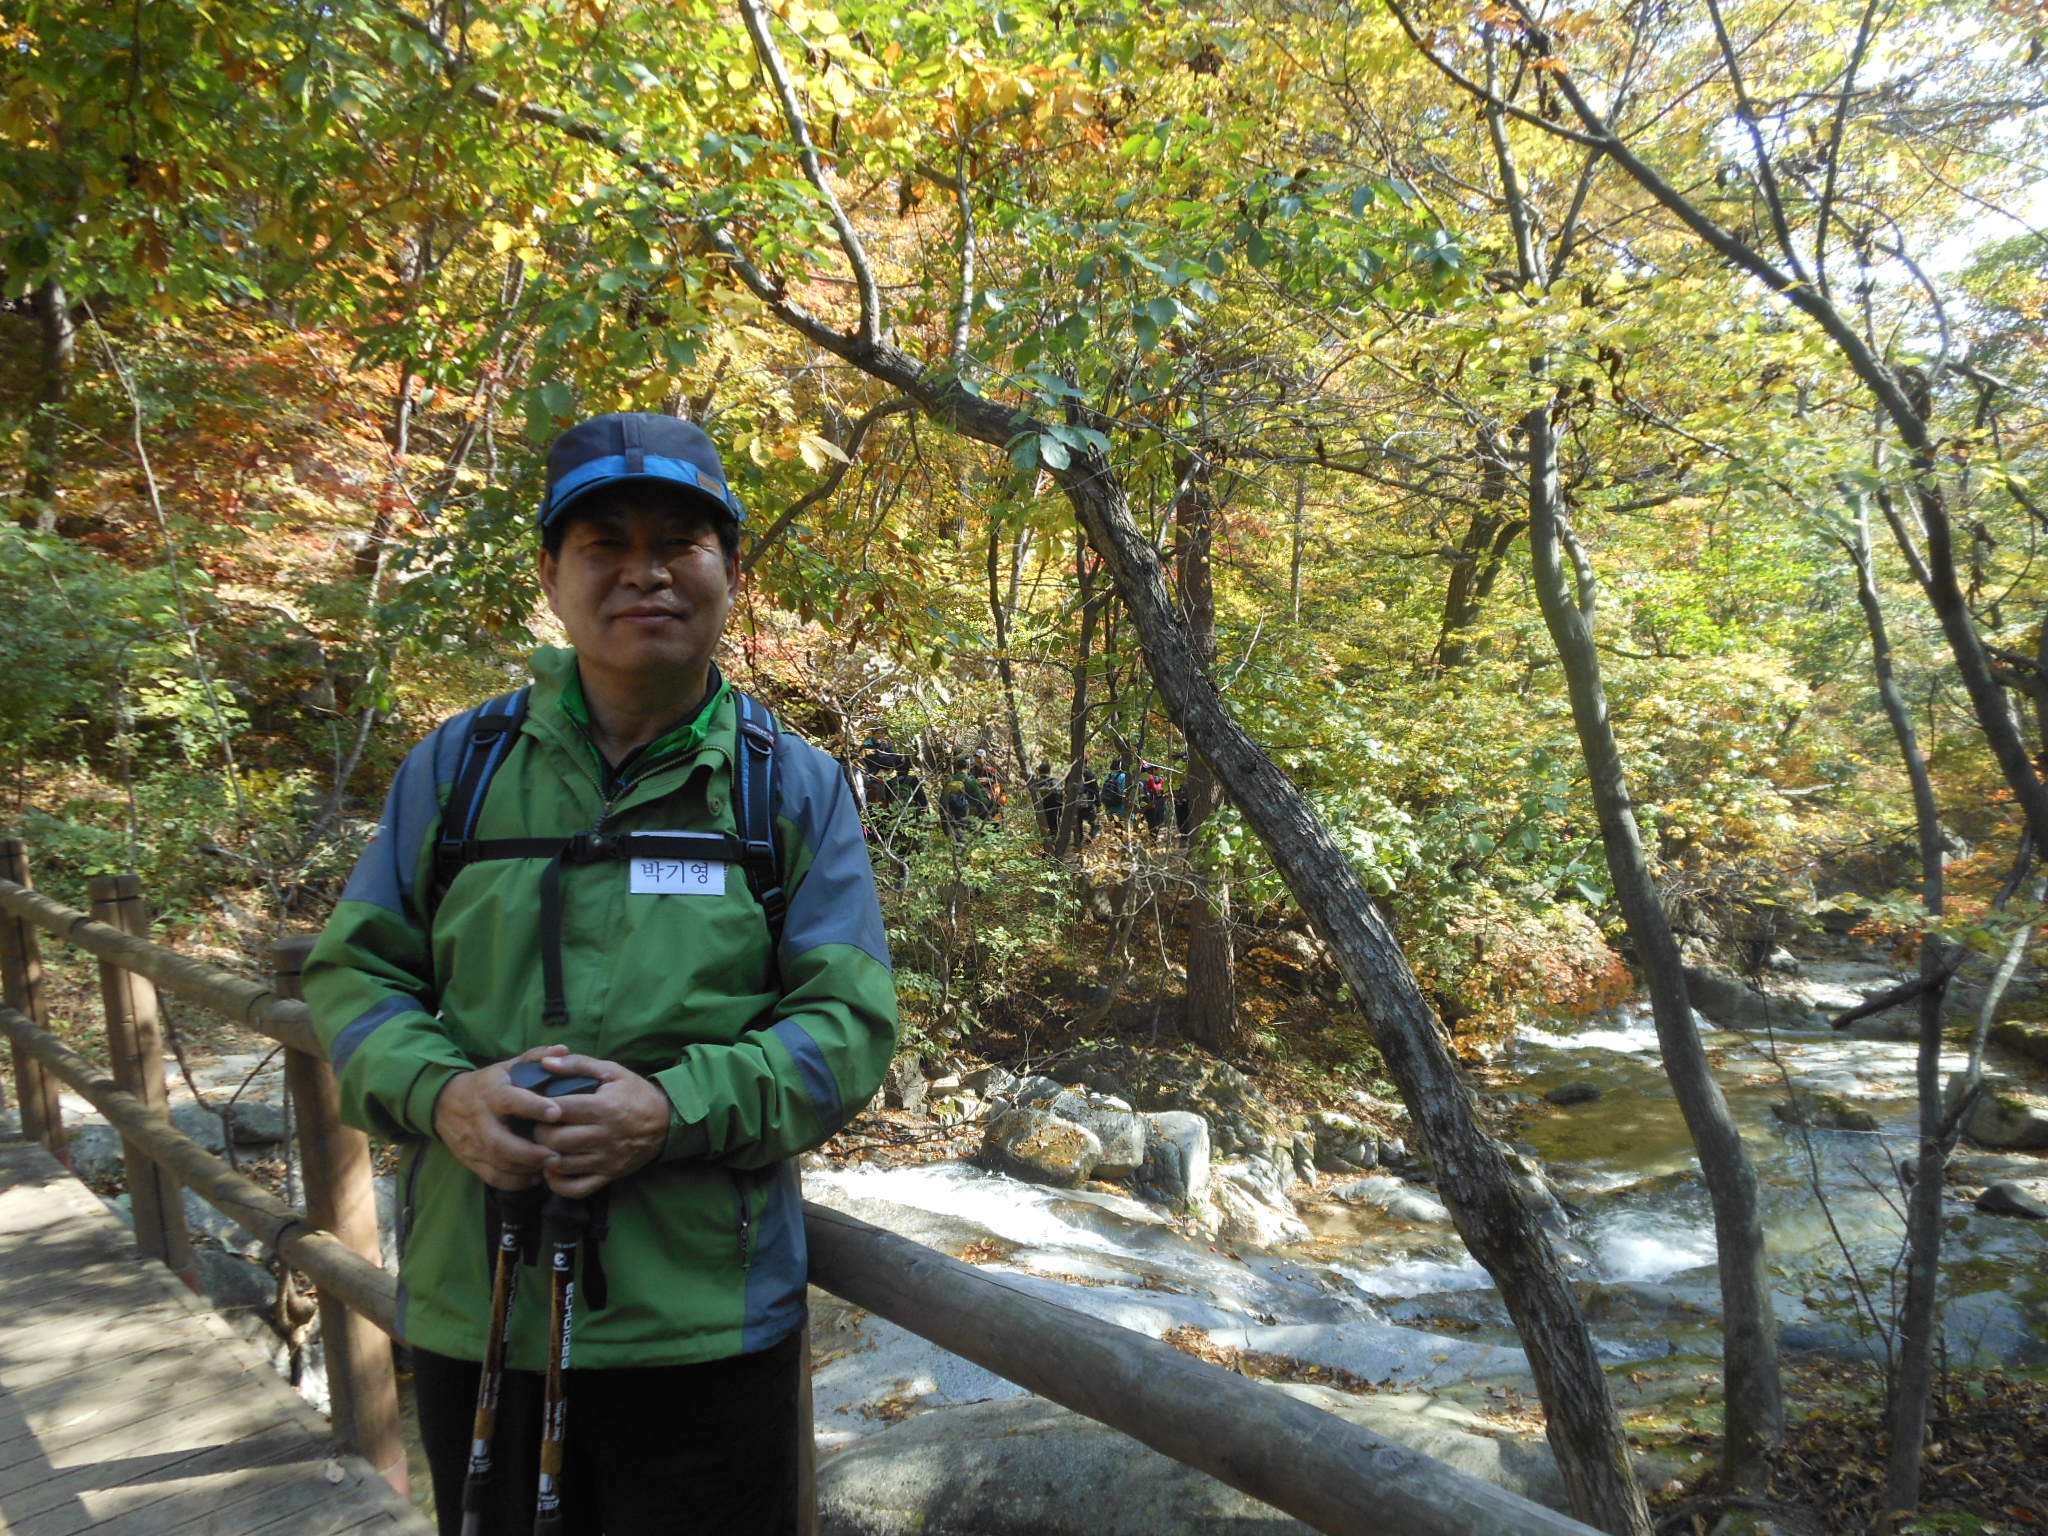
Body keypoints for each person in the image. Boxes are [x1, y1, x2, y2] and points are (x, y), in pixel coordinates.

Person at [303, 412, 899, 1536]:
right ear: (550, 574)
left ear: (730, 572)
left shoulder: (787, 787)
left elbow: (847, 1025)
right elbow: (354, 978)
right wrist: (445, 1094)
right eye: (604, 542)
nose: (644, 572)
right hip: (479, 1304)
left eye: (679, 542)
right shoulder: (460, 768)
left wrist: (670, 1110)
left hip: (705, 1322)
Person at [1027, 761, 1062, 841]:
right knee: (1054, 825)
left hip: (1043, 806)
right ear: (1049, 771)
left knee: (1044, 825)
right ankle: (1053, 840)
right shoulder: (1056, 781)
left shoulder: (1036, 782)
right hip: (1056, 807)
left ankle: (1048, 841)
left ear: (1039, 771)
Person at [1140, 763, 1168, 838]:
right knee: (1153, 824)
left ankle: (1147, 838)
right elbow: (1156, 789)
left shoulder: (1139, 777)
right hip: (1150, 804)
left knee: (1145, 823)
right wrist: (1161, 783)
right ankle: (1152, 840)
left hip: (1143, 804)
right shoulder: (1150, 777)